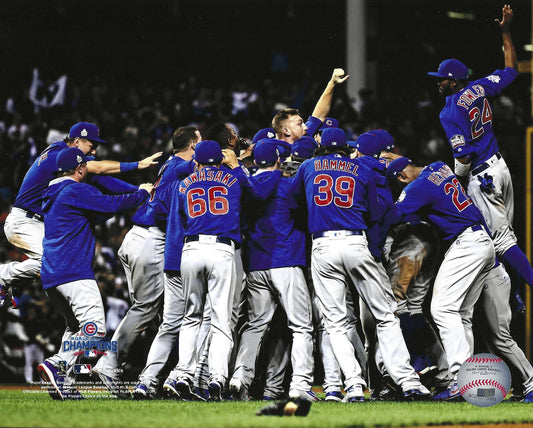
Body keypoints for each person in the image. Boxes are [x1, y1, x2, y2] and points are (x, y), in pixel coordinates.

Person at [289, 128, 430, 402]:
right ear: (345, 147)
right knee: (386, 315)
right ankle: (408, 380)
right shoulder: (359, 168)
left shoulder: (308, 166)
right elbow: (374, 213)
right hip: (356, 242)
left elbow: (294, 202)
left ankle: (353, 386)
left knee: (336, 322)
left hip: (323, 245)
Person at [427, 5, 528, 314]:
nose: (439, 82)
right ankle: (512, 295)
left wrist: (457, 180)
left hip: (482, 176)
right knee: (497, 239)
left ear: (454, 82)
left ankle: (521, 289)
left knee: (499, 241)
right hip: (502, 168)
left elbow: (463, 155)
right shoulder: (479, 87)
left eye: (443, 79)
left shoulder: (449, 110)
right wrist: (506, 32)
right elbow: (511, 70)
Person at [0, 121, 161, 307]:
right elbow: (100, 168)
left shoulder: (67, 159)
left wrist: (139, 190)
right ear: (77, 142)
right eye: (92, 146)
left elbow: (103, 178)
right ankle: (3, 278)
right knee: (51, 261)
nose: (94, 152)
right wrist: (138, 165)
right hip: (24, 221)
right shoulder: (57, 154)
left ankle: (9, 284)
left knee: (58, 263)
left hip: (36, 222)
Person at [92, 126, 201, 398]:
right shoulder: (179, 168)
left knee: (162, 313)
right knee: (146, 308)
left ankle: (154, 376)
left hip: (139, 238)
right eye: (201, 141)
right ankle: (109, 362)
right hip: (150, 240)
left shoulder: (170, 166)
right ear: (191, 144)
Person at [36, 148, 153, 400]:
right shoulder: (75, 189)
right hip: (73, 272)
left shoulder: (53, 193)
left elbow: (99, 213)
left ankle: (64, 383)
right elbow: (110, 204)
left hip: (51, 276)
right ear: (80, 168)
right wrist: (141, 192)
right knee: (95, 328)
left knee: (75, 327)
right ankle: (57, 363)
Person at [386, 157, 495, 400]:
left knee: (443, 309)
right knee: (461, 315)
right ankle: (470, 383)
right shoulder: (438, 166)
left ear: (402, 177)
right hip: (483, 241)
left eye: (401, 181)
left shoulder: (415, 187)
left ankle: (459, 379)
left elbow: (392, 218)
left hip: (466, 244)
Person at [229, 141, 316, 401]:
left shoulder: (245, 185)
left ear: (255, 162)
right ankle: (300, 385)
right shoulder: (286, 184)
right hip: (286, 260)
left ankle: (240, 377)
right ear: (279, 159)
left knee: (255, 325)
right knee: (301, 327)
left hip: (255, 262)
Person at [171, 140, 244, 401]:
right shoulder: (234, 179)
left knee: (191, 316)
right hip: (222, 250)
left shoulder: (184, 183)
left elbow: (181, 217)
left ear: (198, 162)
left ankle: (183, 374)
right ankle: (216, 378)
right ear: (220, 160)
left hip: (191, 249)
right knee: (221, 319)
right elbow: (252, 192)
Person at [271, 68, 349, 145]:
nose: (306, 127)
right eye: (299, 124)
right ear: (286, 131)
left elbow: (319, 115)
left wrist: (332, 83)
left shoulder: (303, 137)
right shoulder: (272, 152)